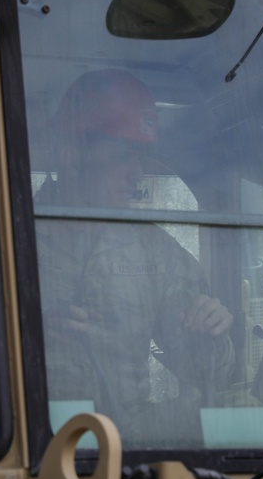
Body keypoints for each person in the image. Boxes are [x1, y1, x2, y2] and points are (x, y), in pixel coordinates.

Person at [33, 69, 234, 444]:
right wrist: (32, 336)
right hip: (32, 444)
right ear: (71, 154)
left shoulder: (155, 252)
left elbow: (211, 377)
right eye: (123, 156)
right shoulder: (10, 242)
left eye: (141, 158)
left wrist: (209, 334)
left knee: (242, 411)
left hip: (131, 448)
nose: (138, 174)